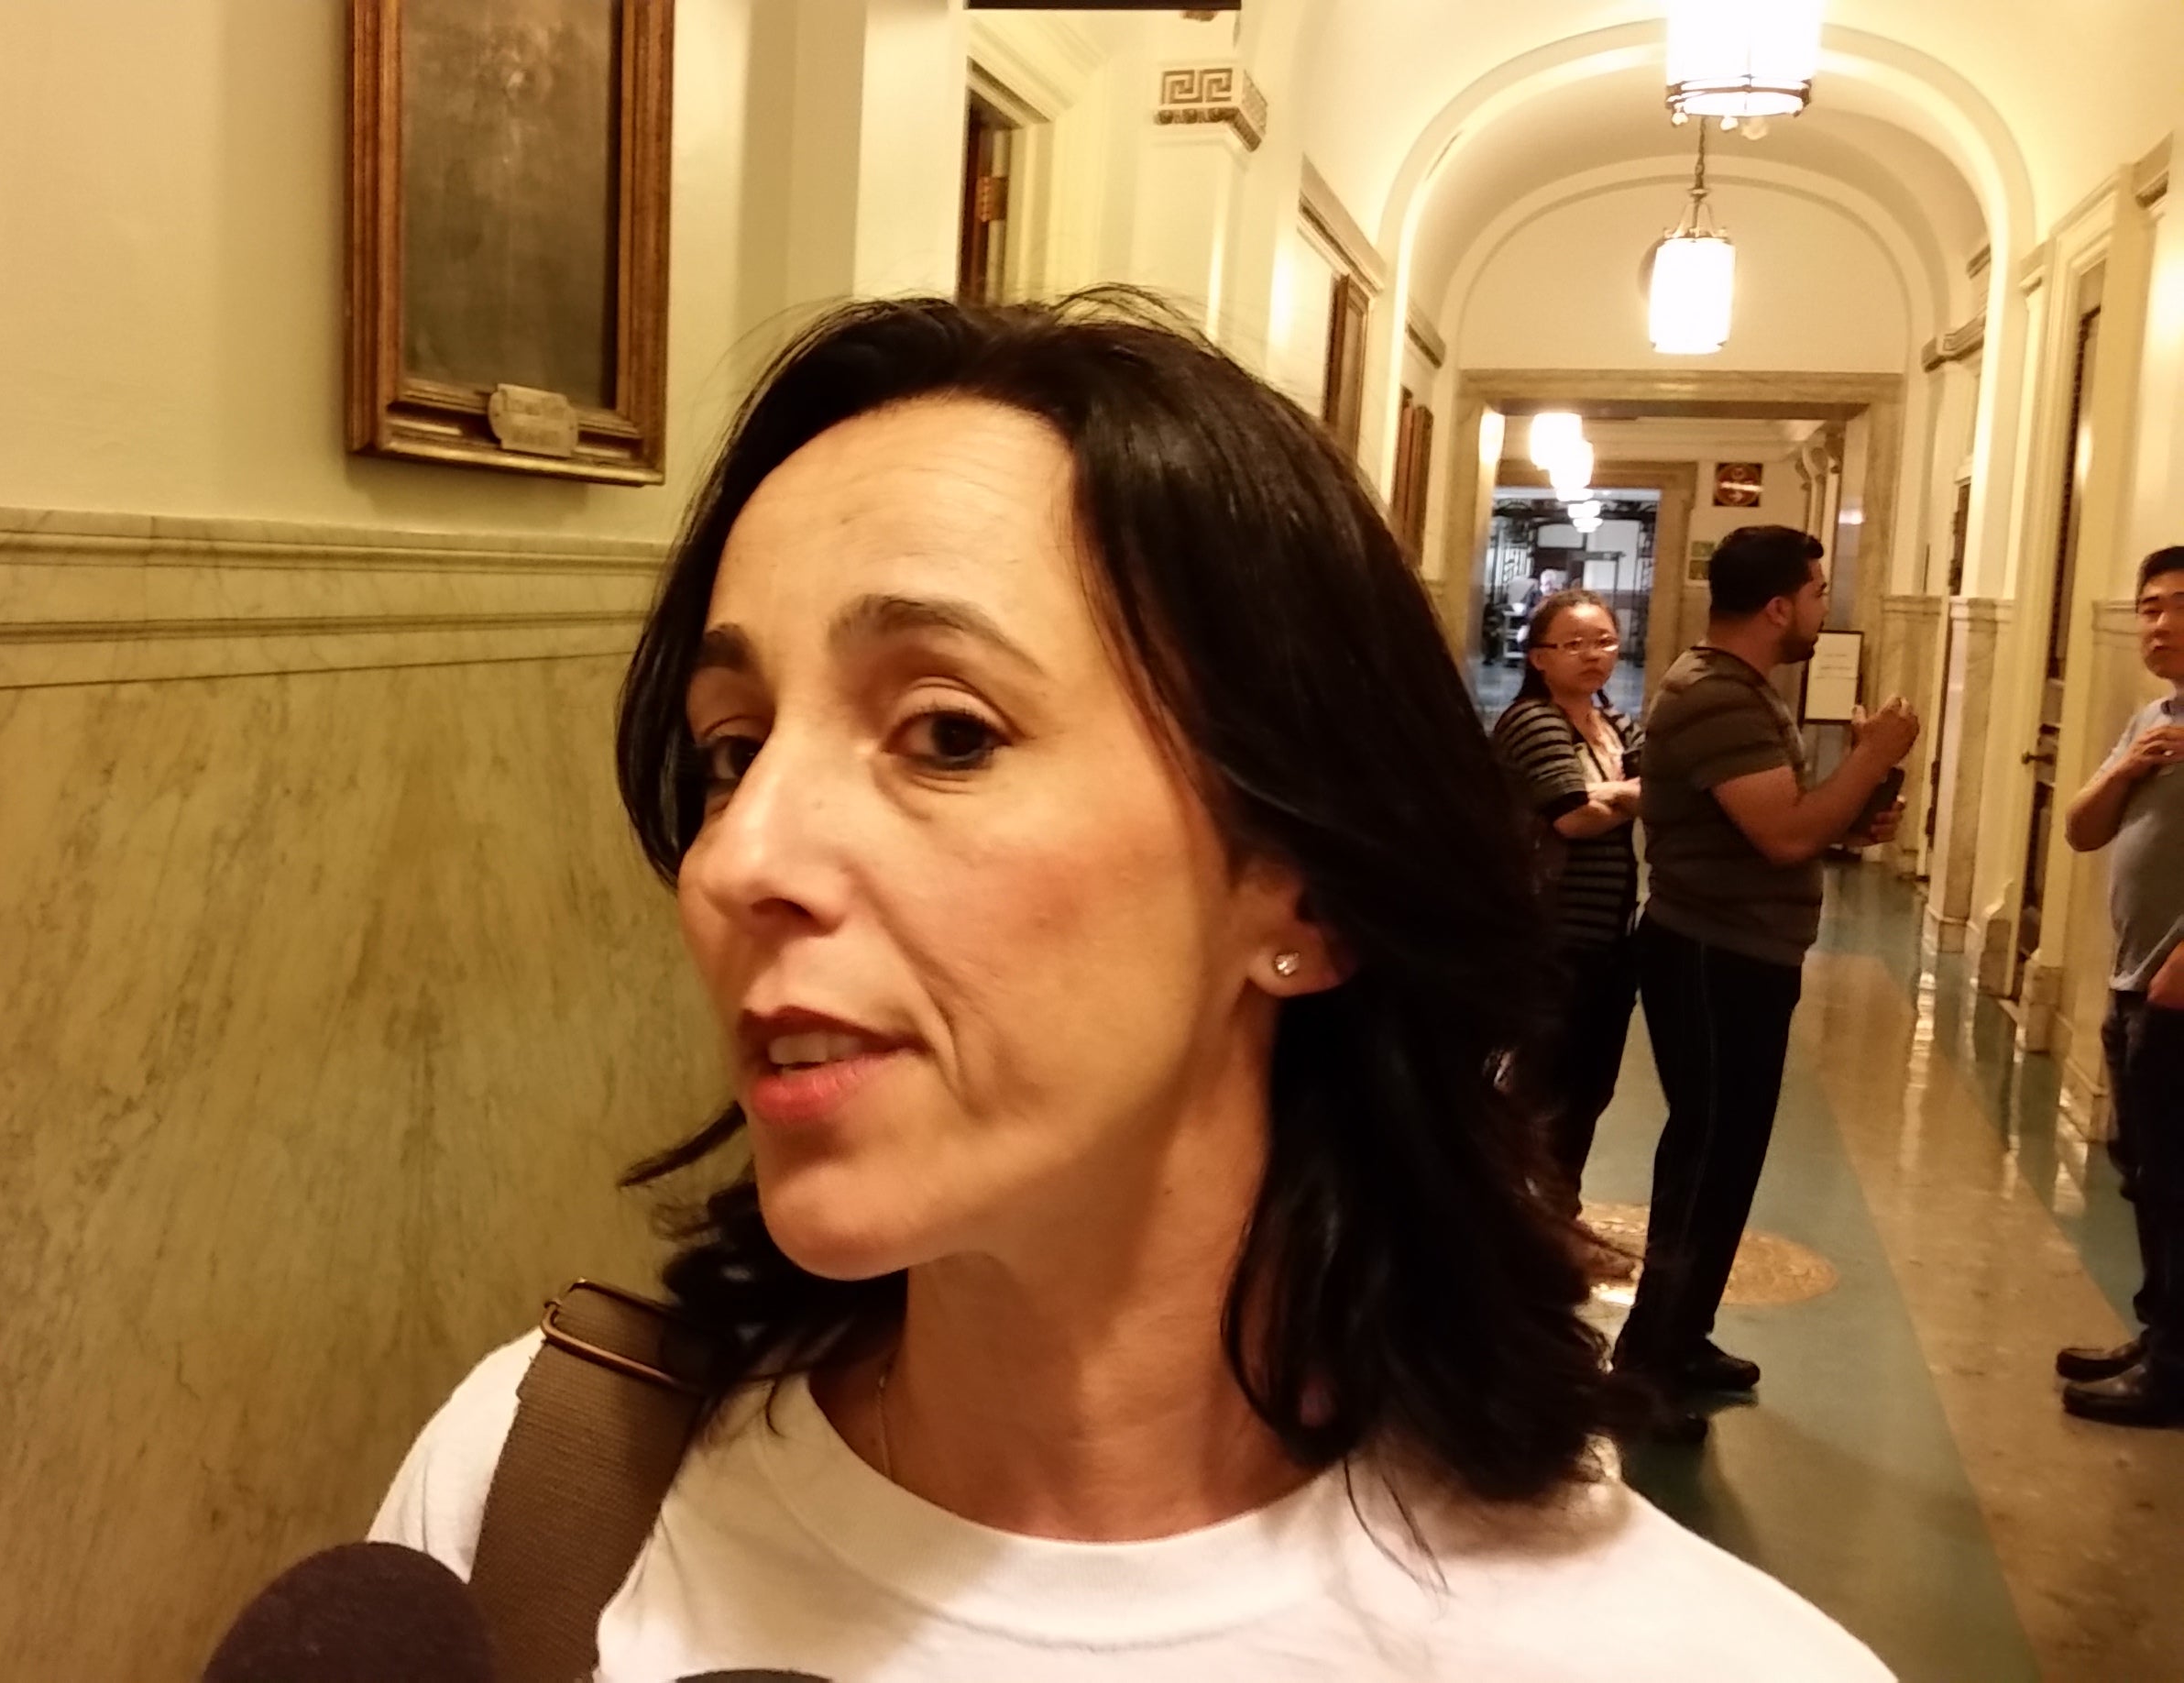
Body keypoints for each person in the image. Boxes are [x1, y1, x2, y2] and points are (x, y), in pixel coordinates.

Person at [370, 295, 1887, 1680]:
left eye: (944, 734)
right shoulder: (532, 1495)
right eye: (728, 746)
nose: (734, 858)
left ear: (1297, 887)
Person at [1614, 525, 1915, 1441]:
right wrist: (1871, 754)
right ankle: (1642, 1363)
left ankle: (1686, 1332)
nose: (1827, 607)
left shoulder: (1746, 692)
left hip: (1746, 952)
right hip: (1710, 956)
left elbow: (1782, 826)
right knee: (1704, 1156)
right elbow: (1782, 835)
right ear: (1781, 604)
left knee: (1732, 1153)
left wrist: (1851, 822)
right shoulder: (1715, 697)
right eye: (1819, 592)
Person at [2053, 544, 2184, 1428]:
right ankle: (2159, 1330)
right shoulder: (2153, 718)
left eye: (2179, 605)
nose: (2162, 623)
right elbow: (2081, 828)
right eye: (2148, 608)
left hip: (2179, 989)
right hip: (2135, 977)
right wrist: (2131, 764)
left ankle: (2177, 1368)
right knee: (2145, 1172)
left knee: (2179, 1179)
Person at [1490, 589, 1642, 1216]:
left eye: (1604, 641)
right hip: (1549, 933)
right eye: (1573, 644)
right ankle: (1512, 1220)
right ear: (1538, 657)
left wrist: (1615, 794)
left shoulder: (1616, 725)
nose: (1593, 655)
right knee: (1539, 1085)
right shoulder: (1532, 722)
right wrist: (1633, 792)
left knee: (1589, 1086)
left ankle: (1561, 1216)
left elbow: (1646, 797)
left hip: (1610, 937)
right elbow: (1572, 816)